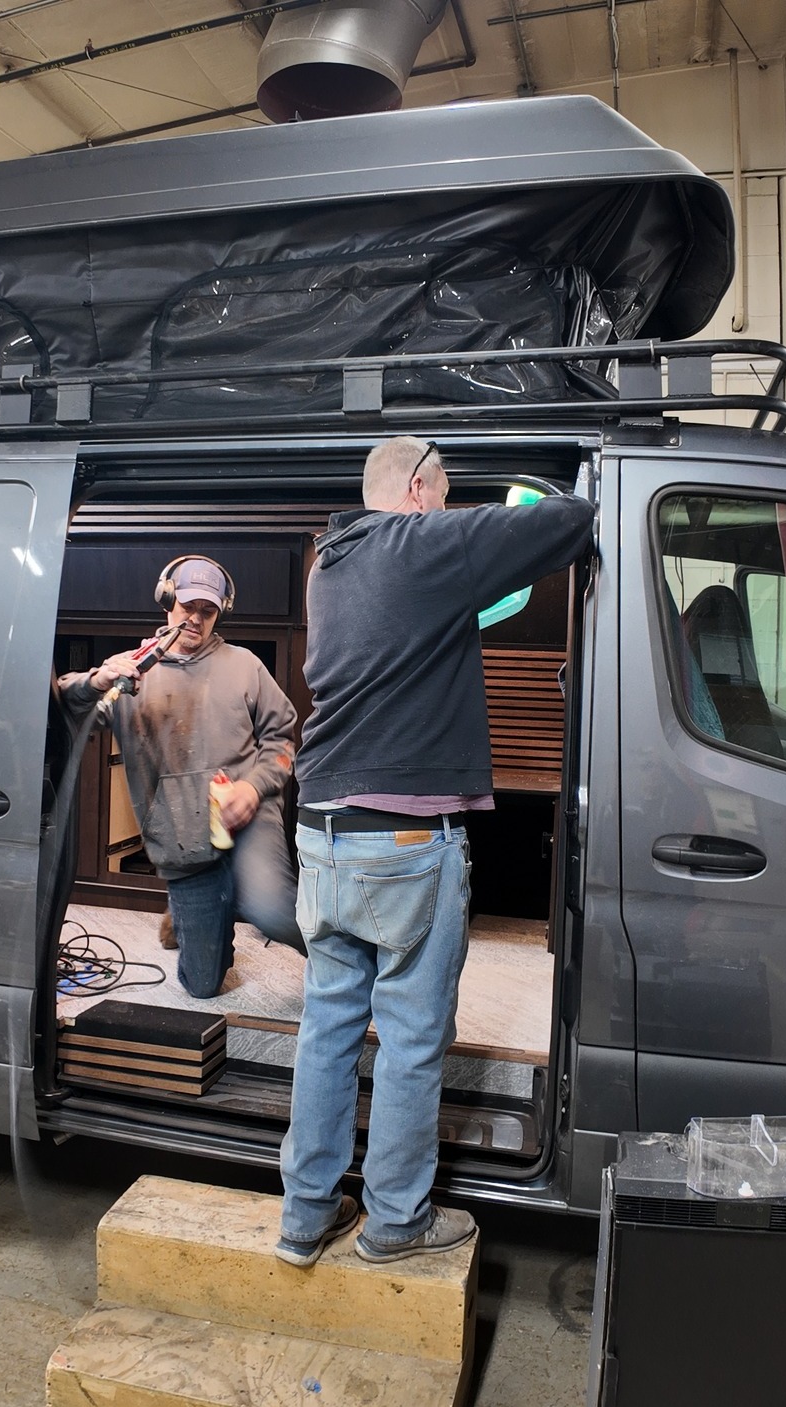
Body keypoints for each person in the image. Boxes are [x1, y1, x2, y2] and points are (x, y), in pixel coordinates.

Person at [276, 436, 595, 1267]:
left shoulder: (329, 564)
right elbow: (568, 522)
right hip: (406, 839)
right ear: (419, 489)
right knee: (412, 1038)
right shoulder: (421, 543)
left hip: (323, 829)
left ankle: (306, 1216)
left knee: (328, 1028)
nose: (449, 509)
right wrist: (573, 479)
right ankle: (394, 1223)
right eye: (446, 495)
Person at [58, 555, 304, 998]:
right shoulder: (131, 673)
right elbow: (62, 709)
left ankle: (356, 971)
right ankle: (198, 907)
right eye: (188, 606)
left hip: (246, 819)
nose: (196, 618)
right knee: (202, 985)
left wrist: (254, 787)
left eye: (208, 610)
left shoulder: (245, 665)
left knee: (272, 911)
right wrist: (96, 680)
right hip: (181, 833)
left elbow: (283, 740)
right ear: (167, 601)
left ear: (220, 612)